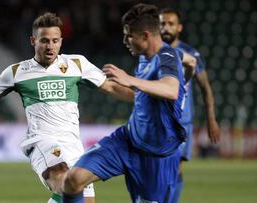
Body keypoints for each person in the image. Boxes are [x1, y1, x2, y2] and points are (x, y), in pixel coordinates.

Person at [0, 12, 133, 203]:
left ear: (61, 42)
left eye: (55, 41)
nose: (50, 46)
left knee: (79, 199)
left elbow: (111, 87)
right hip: (42, 141)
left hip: (73, 145)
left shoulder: (76, 64)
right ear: (33, 41)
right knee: (63, 179)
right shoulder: (17, 72)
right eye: (44, 41)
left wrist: (145, 100)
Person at [62, 4, 187, 203]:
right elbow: (140, 95)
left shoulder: (168, 56)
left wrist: (130, 80)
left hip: (157, 157)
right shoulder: (145, 58)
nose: (124, 40)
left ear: (146, 35)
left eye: (129, 35)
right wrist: (104, 83)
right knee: (72, 180)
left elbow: (171, 90)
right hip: (127, 141)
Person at [159, 8, 221, 203]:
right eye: (162, 24)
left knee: (175, 166)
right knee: (159, 167)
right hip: (159, 118)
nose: (166, 28)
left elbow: (205, 87)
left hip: (181, 121)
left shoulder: (191, 54)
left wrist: (211, 118)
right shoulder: (154, 52)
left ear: (179, 27)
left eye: (170, 24)